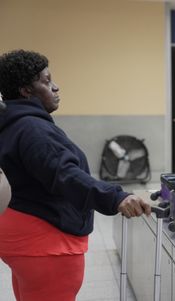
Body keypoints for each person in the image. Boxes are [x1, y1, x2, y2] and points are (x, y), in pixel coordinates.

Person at [0, 49, 152, 301]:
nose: (56, 87)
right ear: (26, 91)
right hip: (45, 243)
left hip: (19, 235)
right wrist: (115, 197)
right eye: (47, 81)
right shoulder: (33, 129)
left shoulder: (12, 123)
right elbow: (65, 173)